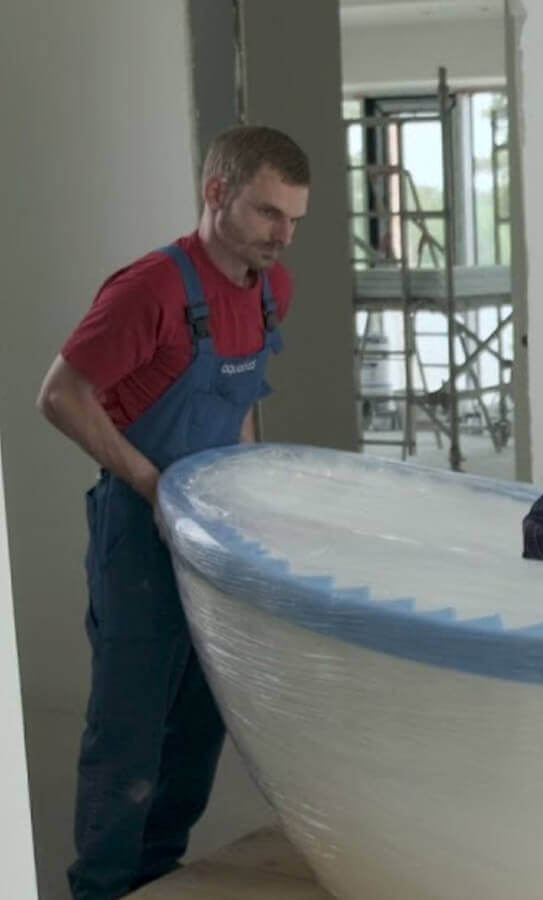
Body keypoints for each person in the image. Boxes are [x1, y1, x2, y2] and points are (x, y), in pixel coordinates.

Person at [37, 125, 310, 900]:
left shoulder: (269, 286)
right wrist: (153, 486)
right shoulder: (149, 291)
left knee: (198, 723)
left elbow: (240, 400)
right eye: (267, 214)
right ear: (215, 193)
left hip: (217, 536)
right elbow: (60, 396)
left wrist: (250, 498)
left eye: (294, 220)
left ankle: (158, 876)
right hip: (139, 532)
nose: (282, 237)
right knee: (130, 730)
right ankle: (102, 886)